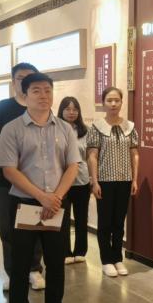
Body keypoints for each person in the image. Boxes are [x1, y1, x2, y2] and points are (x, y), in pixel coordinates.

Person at [0, 72, 81, 303]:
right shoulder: (12, 129)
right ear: (24, 95)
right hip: (24, 204)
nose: (43, 95)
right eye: (36, 90)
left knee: (56, 262)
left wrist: (55, 197)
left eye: (47, 90)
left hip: (56, 204)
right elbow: (9, 170)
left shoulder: (65, 129)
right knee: (21, 264)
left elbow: (72, 166)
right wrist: (41, 196)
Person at [0, 63, 45, 291]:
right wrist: (10, 163)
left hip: (37, 183)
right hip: (8, 181)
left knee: (36, 225)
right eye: (20, 78)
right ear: (13, 82)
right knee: (8, 228)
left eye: (30, 77)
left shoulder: (41, 108)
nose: (25, 81)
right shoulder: (3, 107)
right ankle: (13, 272)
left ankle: (34, 269)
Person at [86, 87, 139, 278]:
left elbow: (134, 154)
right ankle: (106, 260)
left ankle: (117, 258)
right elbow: (92, 156)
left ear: (122, 102)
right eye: (109, 100)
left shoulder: (130, 127)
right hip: (104, 181)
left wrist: (134, 179)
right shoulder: (96, 127)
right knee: (105, 222)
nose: (113, 104)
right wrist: (94, 181)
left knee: (119, 221)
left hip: (125, 180)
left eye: (117, 100)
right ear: (103, 103)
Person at [58, 96, 90, 264]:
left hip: (82, 180)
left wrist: (93, 179)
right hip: (62, 181)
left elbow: (89, 156)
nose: (71, 112)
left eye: (75, 109)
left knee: (81, 218)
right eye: (68, 109)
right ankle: (65, 252)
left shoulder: (85, 131)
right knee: (63, 218)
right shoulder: (55, 129)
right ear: (61, 111)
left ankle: (80, 251)